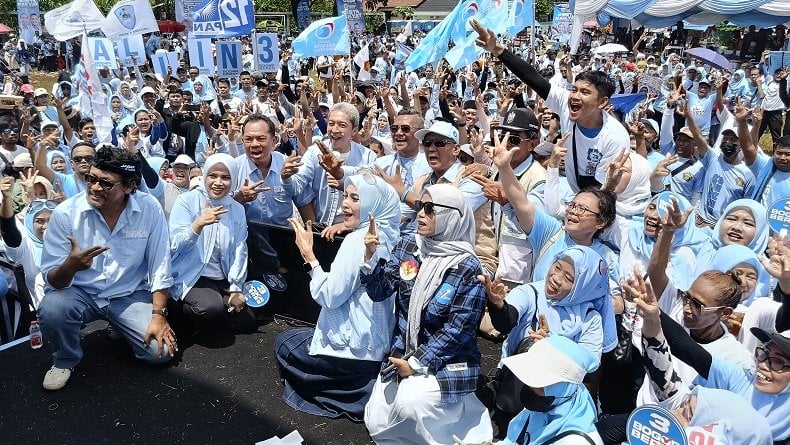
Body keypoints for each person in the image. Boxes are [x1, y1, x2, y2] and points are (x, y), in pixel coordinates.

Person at [36, 145, 174, 390]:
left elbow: (160, 263)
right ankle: (65, 359)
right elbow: (53, 282)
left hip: (128, 294)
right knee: (53, 308)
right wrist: (70, 266)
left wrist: (157, 316)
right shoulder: (66, 214)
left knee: (160, 354)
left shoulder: (149, 208)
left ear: (130, 186)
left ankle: (119, 323)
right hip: (81, 294)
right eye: (91, 179)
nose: (95, 188)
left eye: (106, 183)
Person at [363, 184, 492, 444]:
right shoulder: (410, 245)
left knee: (410, 405)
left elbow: (458, 331)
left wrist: (414, 364)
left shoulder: (467, 267)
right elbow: (380, 292)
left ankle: (461, 423)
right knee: (375, 421)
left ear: (452, 216)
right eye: (420, 206)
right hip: (404, 351)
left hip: (448, 361)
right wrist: (369, 258)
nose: (421, 214)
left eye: (431, 209)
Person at [275, 172, 401, 422]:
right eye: (346, 196)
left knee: (283, 344)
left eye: (356, 198)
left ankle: (349, 398)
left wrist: (308, 255)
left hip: (352, 353)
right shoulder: (391, 235)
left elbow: (329, 296)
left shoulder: (356, 242)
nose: (345, 203)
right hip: (378, 348)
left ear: (373, 205)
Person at [473, 20, 630, 193]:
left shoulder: (615, 137)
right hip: (575, 193)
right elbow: (533, 77)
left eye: (585, 92)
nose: (575, 97)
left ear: (603, 102)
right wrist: (498, 50)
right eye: (574, 90)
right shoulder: (565, 101)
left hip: (612, 203)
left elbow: (606, 191)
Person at [623, 272, 778, 444]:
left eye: (697, 305)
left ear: (725, 313)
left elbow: (688, 350)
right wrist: (652, 314)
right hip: (643, 416)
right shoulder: (676, 320)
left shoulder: (738, 359)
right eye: (686, 297)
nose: (687, 308)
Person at [168, 153, 254, 332]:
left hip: (220, 276)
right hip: (191, 274)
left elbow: (240, 249)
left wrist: (236, 287)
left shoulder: (236, 209)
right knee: (210, 309)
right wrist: (197, 226)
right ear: (204, 175)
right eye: (213, 176)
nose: (218, 182)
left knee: (246, 319)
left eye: (225, 177)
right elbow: (173, 245)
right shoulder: (187, 201)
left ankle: (213, 317)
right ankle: (174, 310)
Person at [496, 335, 603, 445]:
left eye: (539, 383)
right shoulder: (549, 406)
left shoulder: (576, 442)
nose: (531, 387)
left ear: (561, 388)